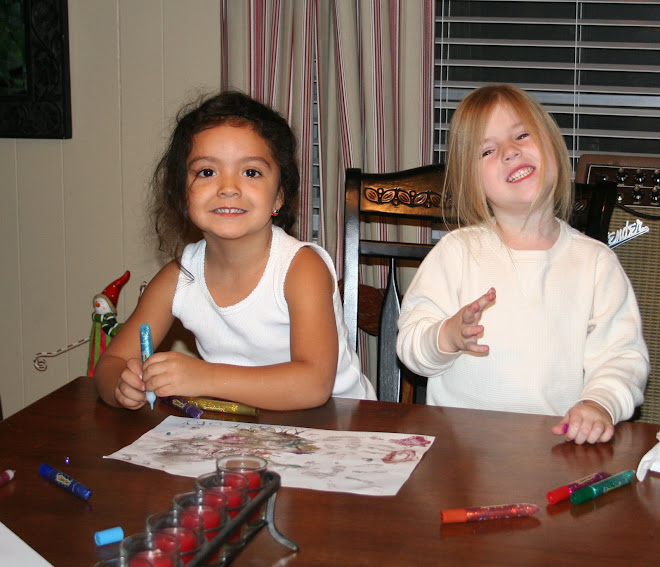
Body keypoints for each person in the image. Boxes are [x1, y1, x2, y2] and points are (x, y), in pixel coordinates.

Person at [396, 84, 648, 444]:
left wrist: (599, 402)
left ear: (552, 146)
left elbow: (621, 357)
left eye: (522, 135)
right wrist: (446, 336)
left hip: (558, 452)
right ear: (473, 182)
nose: (510, 152)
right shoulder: (455, 253)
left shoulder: (596, 264)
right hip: (459, 457)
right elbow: (411, 345)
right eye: (488, 150)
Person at [95, 91, 376, 411]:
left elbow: (313, 386)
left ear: (279, 196)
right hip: (247, 431)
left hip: (344, 427)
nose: (228, 188)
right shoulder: (178, 279)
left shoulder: (300, 268)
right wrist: (122, 383)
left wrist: (205, 378)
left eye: (251, 172)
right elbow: (110, 362)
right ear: (182, 195)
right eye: (206, 172)